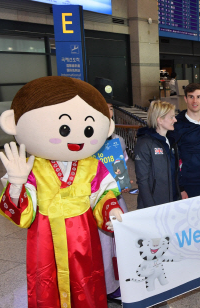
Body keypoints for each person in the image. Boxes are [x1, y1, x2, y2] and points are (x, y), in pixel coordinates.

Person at [0, 76, 124, 308]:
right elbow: (23, 215)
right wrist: (16, 184)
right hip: (45, 240)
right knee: (47, 284)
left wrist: (111, 209)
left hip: (84, 240)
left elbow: (102, 195)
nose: (75, 138)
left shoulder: (92, 166)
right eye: (64, 128)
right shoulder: (33, 167)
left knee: (87, 282)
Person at [92, 77, 131, 303]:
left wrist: (122, 182)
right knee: (103, 246)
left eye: (110, 108)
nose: (109, 112)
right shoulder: (86, 141)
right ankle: (106, 287)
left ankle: (118, 283)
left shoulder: (117, 139)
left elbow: (122, 166)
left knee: (119, 243)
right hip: (96, 203)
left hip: (116, 199)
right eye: (103, 108)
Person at [135, 100, 180, 209]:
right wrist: (151, 208)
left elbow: (175, 173)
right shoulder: (145, 144)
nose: (175, 120)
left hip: (173, 201)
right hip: (154, 205)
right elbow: (142, 181)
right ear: (159, 120)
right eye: (171, 117)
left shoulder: (171, 141)